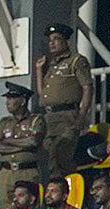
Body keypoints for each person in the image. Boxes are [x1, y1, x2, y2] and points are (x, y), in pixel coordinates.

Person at [35, 23, 92, 178]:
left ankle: (67, 192)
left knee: (62, 155)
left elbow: (87, 87)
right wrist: (39, 70)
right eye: (50, 40)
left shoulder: (76, 61)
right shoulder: (52, 65)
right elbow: (43, 94)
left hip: (66, 115)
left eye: (56, 39)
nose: (52, 43)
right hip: (49, 118)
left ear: (66, 41)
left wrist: (81, 116)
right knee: (48, 156)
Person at [0, 82, 45, 209]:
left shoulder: (36, 120)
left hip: (27, 171)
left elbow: (33, 141)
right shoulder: (5, 122)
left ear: (23, 101)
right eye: (7, 98)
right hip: (6, 172)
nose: (7, 102)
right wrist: (22, 146)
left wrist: (7, 141)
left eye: (12, 98)